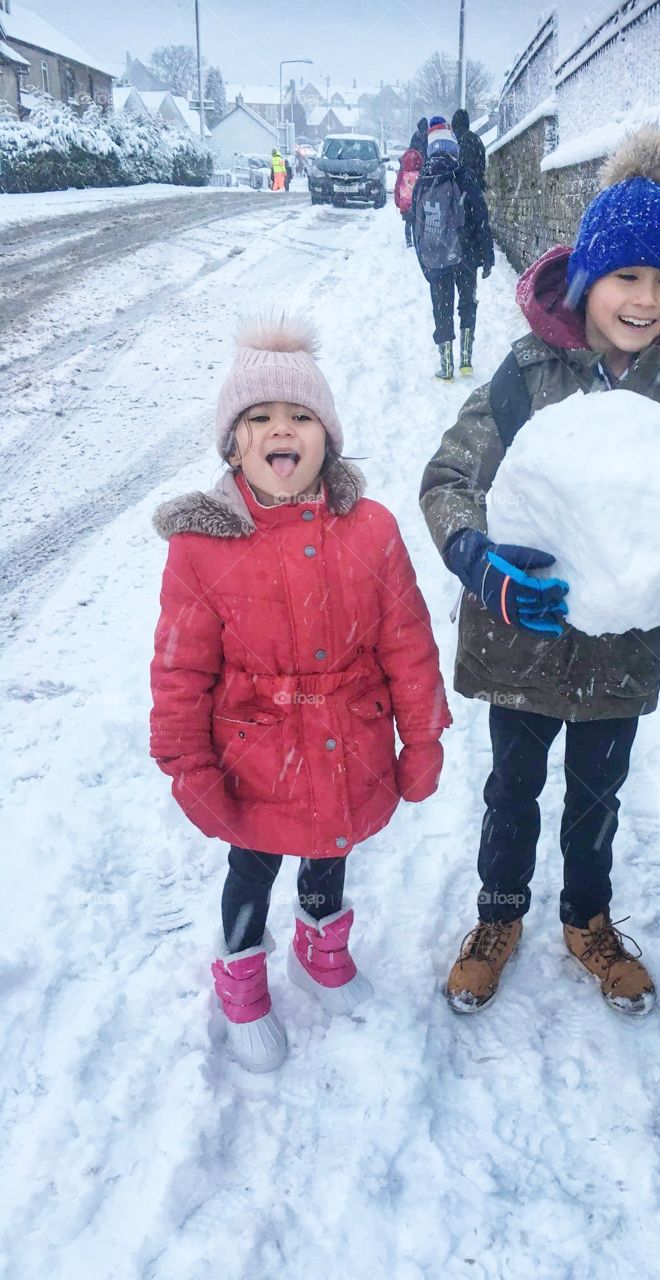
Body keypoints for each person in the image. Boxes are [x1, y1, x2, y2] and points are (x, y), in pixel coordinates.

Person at [419, 126, 660, 1017]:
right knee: (512, 791)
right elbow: (449, 478)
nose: (645, 299)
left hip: (621, 657)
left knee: (597, 797)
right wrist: (481, 561)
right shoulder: (528, 375)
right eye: (628, 276)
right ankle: (499, 916)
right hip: (523, 641)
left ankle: (588, 918)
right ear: (589, 278)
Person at [150, 314, 452, 1073]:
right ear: (233, 444)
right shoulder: (202, 546)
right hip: (254, 752)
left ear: (327, 436)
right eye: (258, 418)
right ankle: (242, 972)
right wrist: (190, 767)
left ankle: (322, 945)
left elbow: (407, 642)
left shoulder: (371, 529)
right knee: (254, 864)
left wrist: (423, 739)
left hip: (349, 736)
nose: (280, 431)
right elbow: (181, 671)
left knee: (334, 843)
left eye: (299, 416)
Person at [411, 116, 494, 381]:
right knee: (467, 303)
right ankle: (466, 360)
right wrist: (487, 254)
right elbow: (481, 216)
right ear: (453, 147)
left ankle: (446, 365)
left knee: (442, 307)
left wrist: (423, 262)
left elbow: (416, 225)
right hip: (466, 254)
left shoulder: (424, 179)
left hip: (436, 255)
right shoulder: (464, 175)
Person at [394, 145, 423, 247]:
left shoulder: (402, 173)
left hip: (405, 204)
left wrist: (397, 201)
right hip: (418, 203)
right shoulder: (421, 173)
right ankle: (417, 240)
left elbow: (397, 187)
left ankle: (409, 241)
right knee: (417, 223)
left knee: (408, 223)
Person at [451, 108, 486, 190]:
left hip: (468, 190)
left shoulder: (466, 141)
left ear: (457, 126)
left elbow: (464, 167)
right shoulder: (474, 138)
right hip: (476, 187)